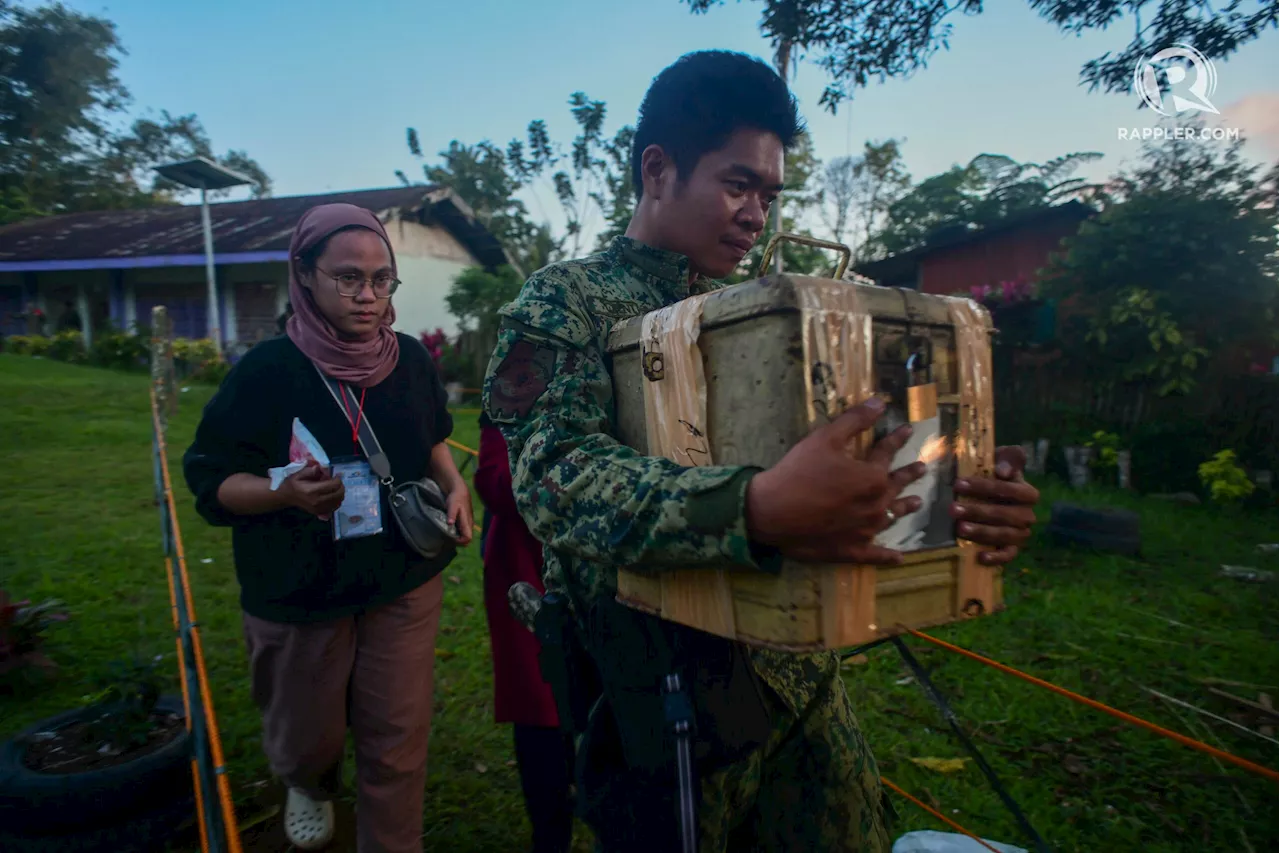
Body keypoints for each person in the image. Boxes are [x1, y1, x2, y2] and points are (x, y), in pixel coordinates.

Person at [482, 50, 1040, 853]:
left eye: (770, 196)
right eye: (738, 184)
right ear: (658, 167)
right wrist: (754, 507)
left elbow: (850, 453)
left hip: (801, 676)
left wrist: (959, 493)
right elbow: (554, 479)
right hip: (663, 696)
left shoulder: (776, 313)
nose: (757, 216)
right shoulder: (568, 299)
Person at [183, 203, 474, 853]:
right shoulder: (264, 373)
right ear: (304, 274)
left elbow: (432, 438)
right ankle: (308, 781)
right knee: (307, 734)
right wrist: (281, 491)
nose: (367, 296)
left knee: (395, 736)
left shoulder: (409, 361)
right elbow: (210, 480)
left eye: (381, 279)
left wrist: (455, 487)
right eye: (347, 278)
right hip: (299, 588)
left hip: (400, 573)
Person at [474, 411, 576, 853]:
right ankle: (550, 834)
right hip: (528, 563)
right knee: (542, 706)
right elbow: (495, 479)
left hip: (617, 561)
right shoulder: (522, 360)